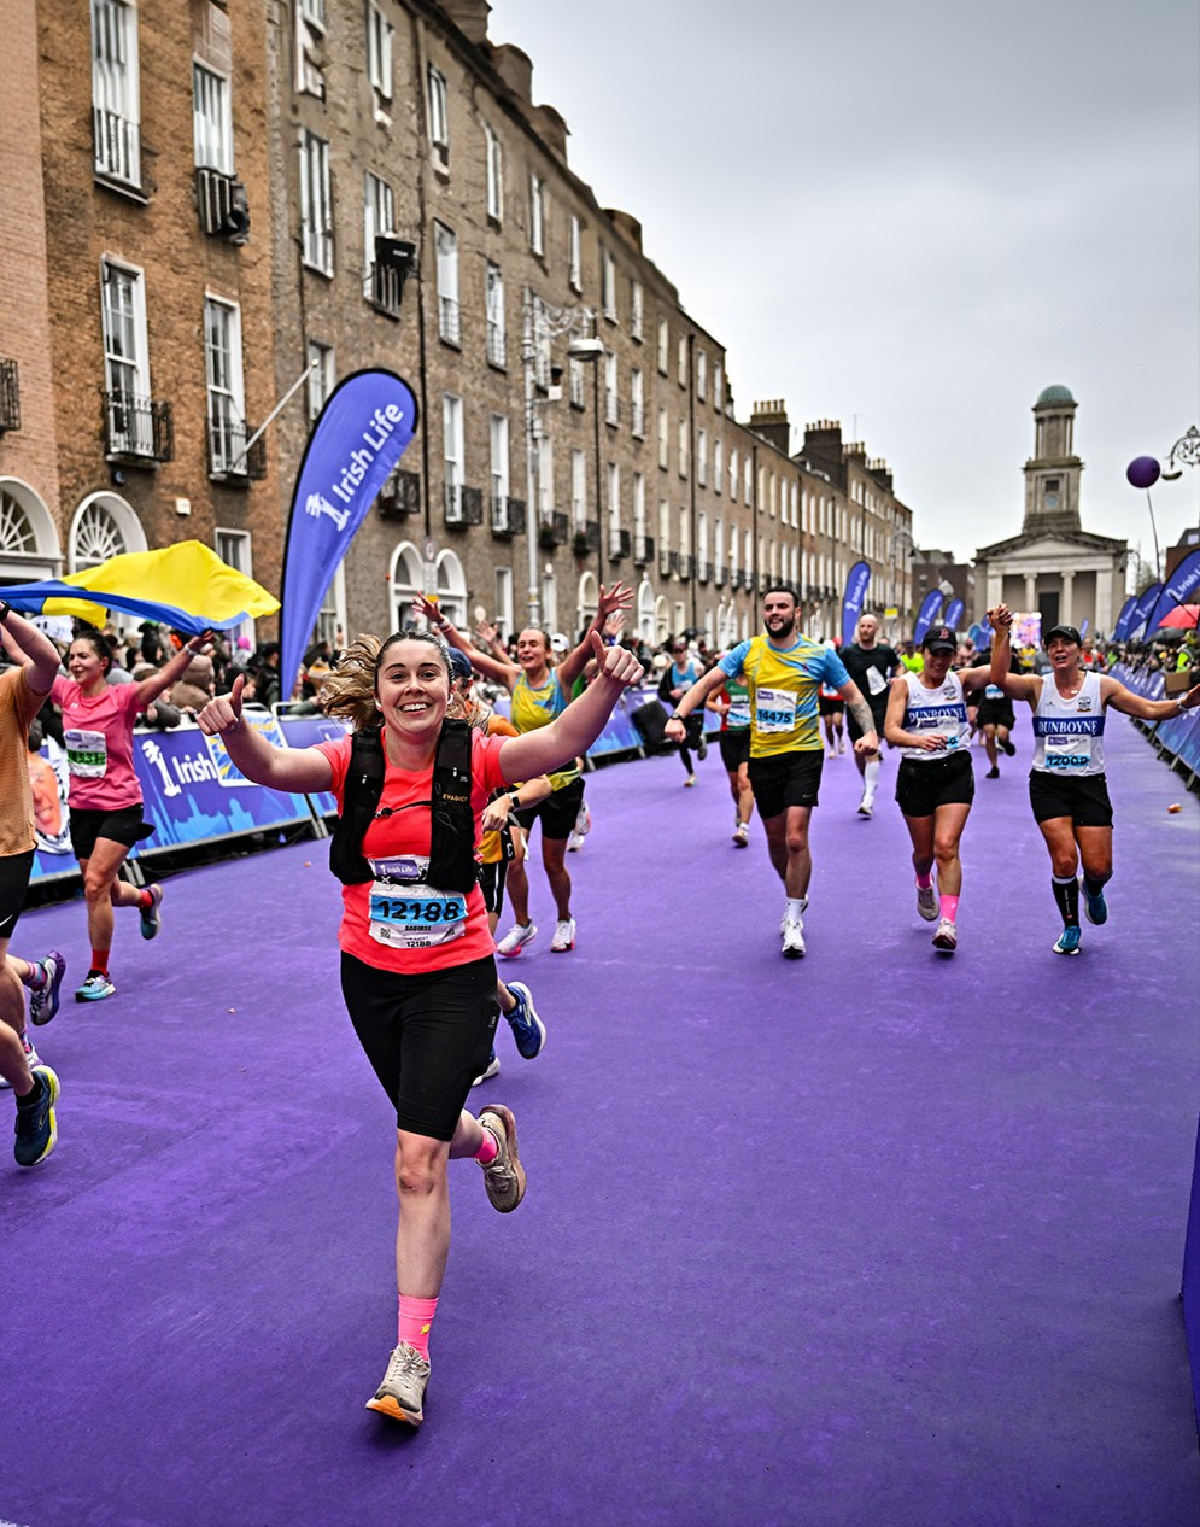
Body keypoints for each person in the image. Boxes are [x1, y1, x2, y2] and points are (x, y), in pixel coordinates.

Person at [197, 626, 644, 1426]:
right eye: (397, 674)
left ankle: (410, 1357)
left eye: (428, 673)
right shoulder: (349, 759)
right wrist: (234, 729)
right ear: (378, 693)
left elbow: (561, 738)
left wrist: (607, 683)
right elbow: (271, 768)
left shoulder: (473, 757)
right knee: (426, 1128)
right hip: (370, 978)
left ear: (449, 686)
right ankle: (491, 1142)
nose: (412, 686)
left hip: (454, 977)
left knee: (413, 1161)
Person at [665, 587, 879, 958]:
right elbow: (705, 683)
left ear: (797, 612)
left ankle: (793, 917)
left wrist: (871, 731)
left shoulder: (819, 654)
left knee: (797, 839)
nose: (775, 612)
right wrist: (678, 716)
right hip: (763, 754)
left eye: (782, 606)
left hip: (804, 754)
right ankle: (794, 892)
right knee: (777, 842)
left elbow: (855, 697)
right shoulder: (749, 651)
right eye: (769, 607)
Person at [422, 584, 632, 956]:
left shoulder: (561, 678)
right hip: (520, 782)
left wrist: (600, 615)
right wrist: (441, 623)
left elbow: (587, 646)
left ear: (548, 652)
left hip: (560, 782)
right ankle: (522, 924)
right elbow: (470, 654)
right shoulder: (513, 678)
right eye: (521, 645)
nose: (526, 650)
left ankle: (565, 917)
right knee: (514, 856)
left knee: (552, 862)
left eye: (534, 645)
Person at [987, 606, 1200, 954]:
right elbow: (998, 680)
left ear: (1078, 651)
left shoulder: (1102, 687)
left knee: (1100, 868)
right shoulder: (1037, 687)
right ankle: (1071, 926)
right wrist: (1001, 634)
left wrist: (1182, 704)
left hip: (1089, 784)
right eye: (1052, 644)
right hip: (1048, 783)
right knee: (1065, 860)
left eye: (1065, 644)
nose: (1058, 649)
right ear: (1047, 651)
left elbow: (1146, 710)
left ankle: (1093, 888)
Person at [52, 626, 210, 1000]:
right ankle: (146, 899)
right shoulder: (64, 693)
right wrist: (5, 621)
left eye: (83, 656)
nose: (75, 663)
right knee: (104, 889)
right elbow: (34, 657)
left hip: (121, 804)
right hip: (82, 807)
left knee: (93, 886)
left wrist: (189, 649)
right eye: (71, 656)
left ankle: (99, 974)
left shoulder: (122, 698)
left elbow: (162, 678)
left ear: (103, 663)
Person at [443, 647, 548, 1087]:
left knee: (472, 955)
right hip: (438, 861)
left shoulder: (492, 729)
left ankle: (481, 1053)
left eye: (442, 679)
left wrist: (508, 801)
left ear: (466, 686)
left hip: (485, 855)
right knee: (453, 958)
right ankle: (510, 1004)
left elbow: (541, 779)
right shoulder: (419, 735)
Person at [0, 599, 64, 1165]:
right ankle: (36, 974)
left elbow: (47, 662)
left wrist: (2, 612)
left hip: (3, 849)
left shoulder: (9, 692)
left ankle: (28, 1080)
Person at [884, 625, 992, 953]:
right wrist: (919, 740)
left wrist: (1001, 635)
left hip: (954, 771)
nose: (940, 660)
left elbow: (999, 672)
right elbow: (890, 731)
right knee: (924, 854)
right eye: (935, 653)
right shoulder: (904, 685)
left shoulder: (960, 680)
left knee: (946, 847)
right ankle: (922, 882)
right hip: (916, 773)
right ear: (923, 653)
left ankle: (948, 923)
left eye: (947, 654)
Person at [839, 614, 900, 818]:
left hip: (879, 704)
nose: (865, 630)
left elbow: (897, 666)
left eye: (869, 626)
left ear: (876, 630)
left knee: (871, 745)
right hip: (856, 704)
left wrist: (898, 679)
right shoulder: (848, 653)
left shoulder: (885, 652)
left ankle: (868, 798)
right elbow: (839, 673)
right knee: (859, 751)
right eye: (862, 626)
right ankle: (868, 783)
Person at [707, 666, 753, 845]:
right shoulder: (725, 682)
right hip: (729, 736)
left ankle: (744, 828)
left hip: (750, 736)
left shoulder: (755, 682)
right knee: (735, 786)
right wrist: (719, 708)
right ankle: (739, 807)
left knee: (745, 780)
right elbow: (709, 702)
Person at [659, 638, 708, 785]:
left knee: (692, 743)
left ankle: (699, 741)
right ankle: (690, 773)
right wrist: (670, 694)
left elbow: (706, 687)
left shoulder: (696, 668)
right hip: (679, 714)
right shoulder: (669, 673)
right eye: (676, 652)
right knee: (681, 743)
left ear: (686, 652)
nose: (679, 655)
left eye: (681, 652)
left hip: (696, 711)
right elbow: (662, 692)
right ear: (673, 654)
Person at [973, 642, 1018, 779]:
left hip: (1004, 703)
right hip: (987, 703)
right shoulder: (982, 660)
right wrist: (972, 704)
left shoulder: (1012, 661)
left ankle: (1005, 742)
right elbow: (974, 681)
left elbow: (1019, 679)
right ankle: (994, 766)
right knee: (990, 733)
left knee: (1002, 734)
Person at [817, 645, 845, 758]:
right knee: (828, 724)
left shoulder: (839, 663)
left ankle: (840, 738)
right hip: (824, 697)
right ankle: (832, 747)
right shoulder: (818, 663)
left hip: (837, 697)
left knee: (838, 722)